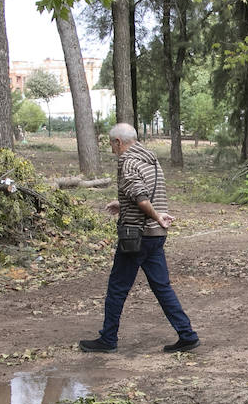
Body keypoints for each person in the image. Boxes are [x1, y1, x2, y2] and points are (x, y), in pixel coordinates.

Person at [79, 123, 199, 354]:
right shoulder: (151, 161)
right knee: (162, 287)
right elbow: (143, 194)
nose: (112, 148)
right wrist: (124, 204)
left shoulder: (128, 162)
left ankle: (108, 339)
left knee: (117, 288)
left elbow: (142, 197)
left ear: (118, 142)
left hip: (136, 236)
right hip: (155, 236)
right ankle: (187, 334)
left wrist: (154, 215)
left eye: (111, 143)